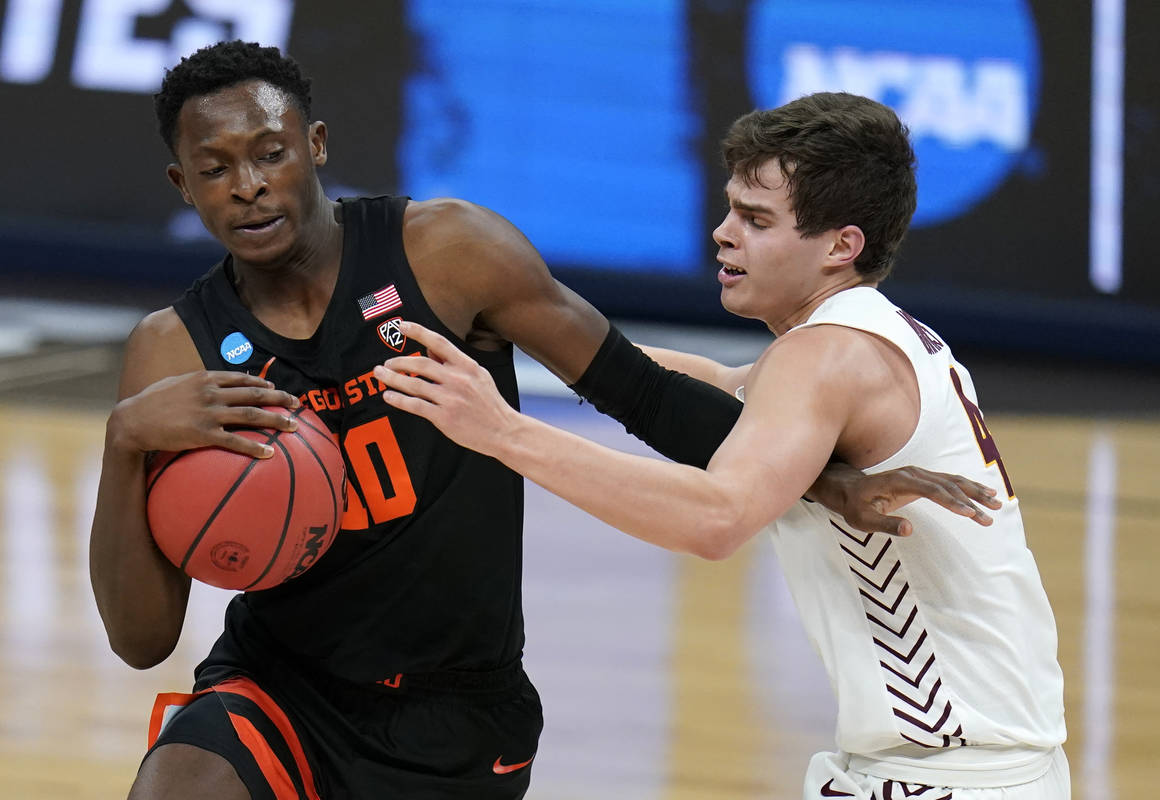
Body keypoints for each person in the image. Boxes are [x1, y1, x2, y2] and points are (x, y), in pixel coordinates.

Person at [89, 41, 1000, 800]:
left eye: (269, 154)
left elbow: (634, 389)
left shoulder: (445, 252)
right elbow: (142, 640)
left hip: (462, 708)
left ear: (317, 145)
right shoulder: (176, 349)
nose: (246, 185)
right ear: (182, 184)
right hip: (280, 687)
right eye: (215, 169)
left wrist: (828, 480)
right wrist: (125, 441)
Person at [378, 92, 1069, 799]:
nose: (722, 233)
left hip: (950, 774)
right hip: (984, 763)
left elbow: (713, 518)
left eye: (756, 219)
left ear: (841, 246)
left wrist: (504, 431)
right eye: (732, 207)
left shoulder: (825, 357)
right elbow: (705, 384)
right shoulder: (880, 340)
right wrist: (518, 329)